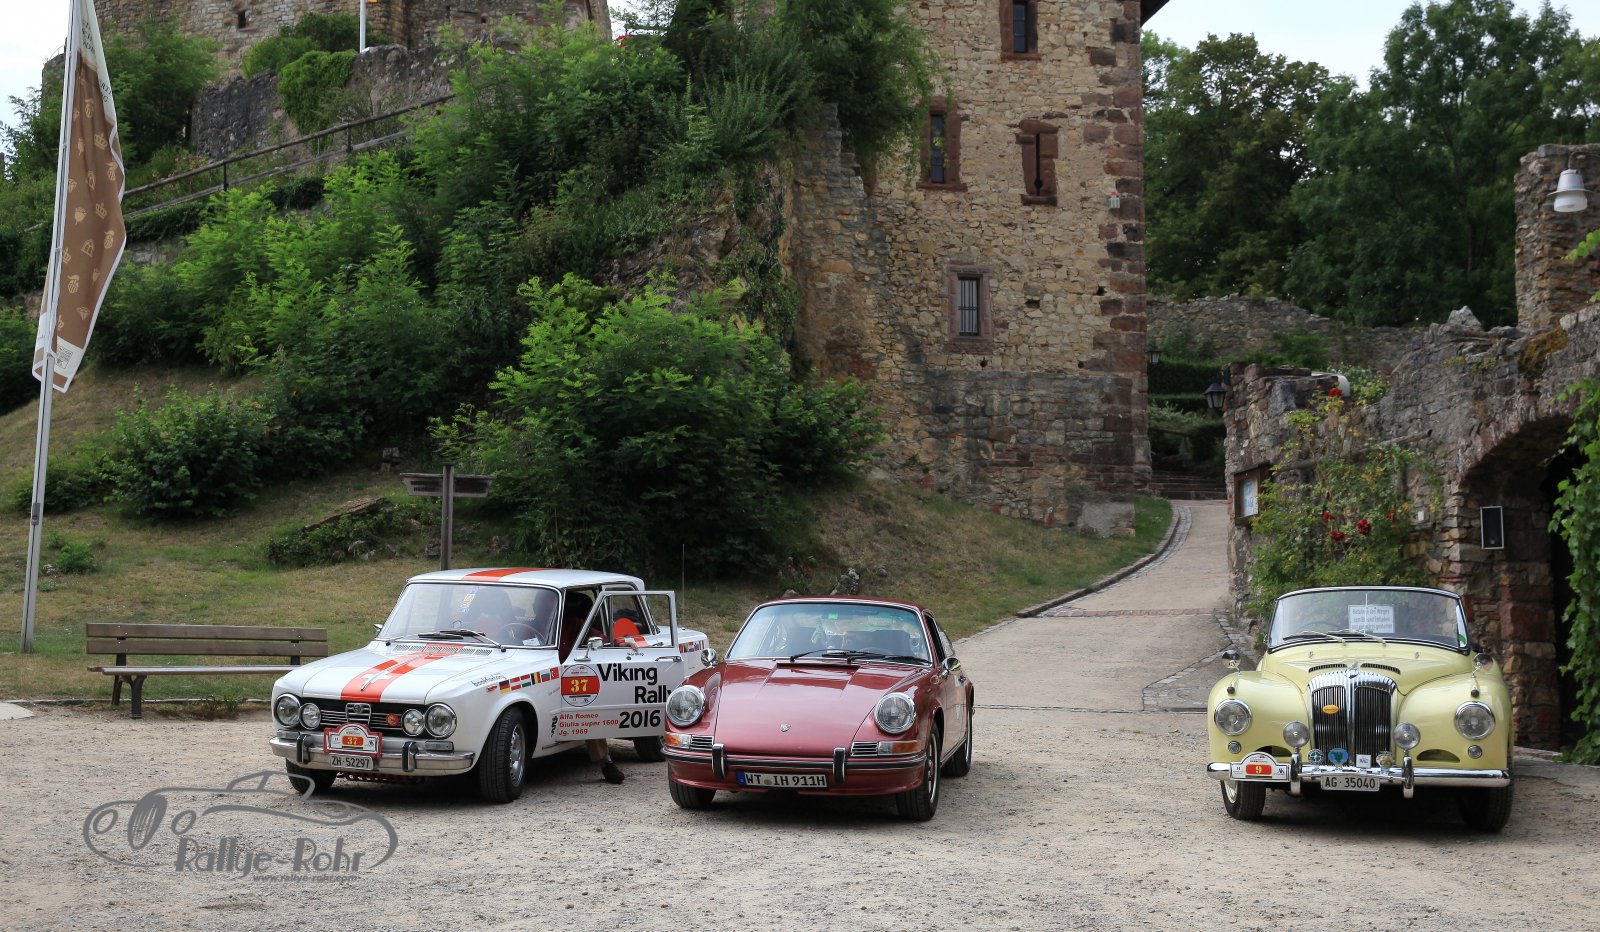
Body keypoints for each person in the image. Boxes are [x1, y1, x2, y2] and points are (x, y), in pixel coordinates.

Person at [564, 591, 626, 785]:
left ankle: (605, 762)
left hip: (572, 678)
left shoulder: (574, 623)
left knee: (587, 709)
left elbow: (600, 637)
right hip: (542, 676)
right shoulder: (529, 625)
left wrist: (620, 642)